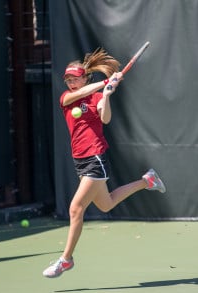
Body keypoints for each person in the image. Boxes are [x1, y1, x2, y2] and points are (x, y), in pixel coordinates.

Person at [43, 48, 166, 278]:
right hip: (80, 159)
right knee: (106, 204)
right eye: (68, 79)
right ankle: (147, 181)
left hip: (95, 157)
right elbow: (82, 93)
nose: (71, 82)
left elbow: (105, 118)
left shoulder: (97, 96)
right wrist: (107, 82)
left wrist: (107, 95)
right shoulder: (66, 98)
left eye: (75, 78)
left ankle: (66, 259)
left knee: (75, 208)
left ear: (84, 77)